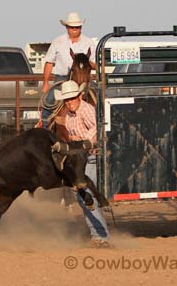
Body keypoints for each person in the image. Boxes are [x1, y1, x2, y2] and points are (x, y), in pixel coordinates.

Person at [54, 80, 110, 247]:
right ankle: (98, 234)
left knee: (85, 194)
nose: (70, 102)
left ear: (79, 96)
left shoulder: (86, 109)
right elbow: (72, 137)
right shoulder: (69, 116)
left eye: (72, 98)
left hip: (91, 156)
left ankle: (102, 235)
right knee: (82, 196)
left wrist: (81, 142)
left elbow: (95, 131)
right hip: (81, 157)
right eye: (67, 100)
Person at [41, 11, 97, 128]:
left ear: (81, 27)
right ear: (67, 27)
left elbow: (95, 65)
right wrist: (46, 83)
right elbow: (49, 62)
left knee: (100, 98)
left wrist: (85, 63)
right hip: (63, 78)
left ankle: (103, 124)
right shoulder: (58, 42)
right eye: (72, 27)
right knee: (49, 100)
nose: (75, 29)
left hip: (85, 78)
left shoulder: (89, 43)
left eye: (77, 27)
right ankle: (45, 126)